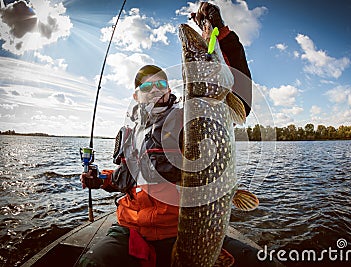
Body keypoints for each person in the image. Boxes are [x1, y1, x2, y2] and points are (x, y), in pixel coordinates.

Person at [79, 3, 276, 267]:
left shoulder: (189, 116)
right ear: (136, 96)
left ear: (169, 88)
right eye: (147, 86)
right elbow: (125, 178)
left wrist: (222, 36)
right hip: (131, 231)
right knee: (91, 264)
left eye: (161, 83)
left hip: (179, 231)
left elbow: (240, 92)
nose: (156, 89)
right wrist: (99, 180)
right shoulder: (127, 133)